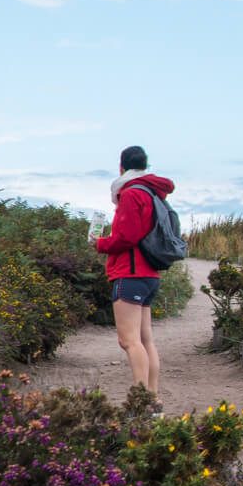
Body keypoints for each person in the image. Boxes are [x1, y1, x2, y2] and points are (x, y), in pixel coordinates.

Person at [94, 145, 175, 404]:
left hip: (130, 273)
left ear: (122, 167)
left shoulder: (131, 194)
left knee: (129, 341)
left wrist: (100, 243)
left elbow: (126, 237)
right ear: (144, 166)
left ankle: (141, 401)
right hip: (150, 273)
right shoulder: (153, 193)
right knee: (145, 339)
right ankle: (152, 398)